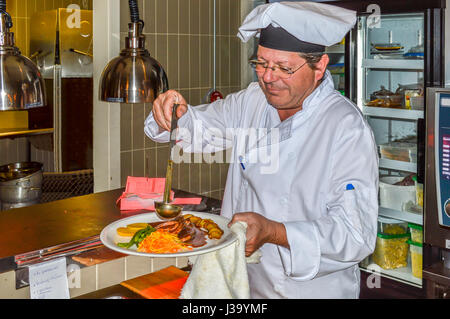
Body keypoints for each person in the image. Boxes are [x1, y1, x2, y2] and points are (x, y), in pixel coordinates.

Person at [145, 1, 379, 299]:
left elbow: (355, 235)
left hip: (308, 290)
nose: (268, 77)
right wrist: (172, 112)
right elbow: (197, 128)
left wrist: (274, 232)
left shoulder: (345, 127)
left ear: (319, 66)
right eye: (261, 64)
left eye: (283, 68)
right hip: (244, 282)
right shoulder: (252, 100)